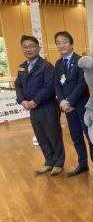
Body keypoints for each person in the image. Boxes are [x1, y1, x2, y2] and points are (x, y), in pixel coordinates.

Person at [54, 31, 93, 179]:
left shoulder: (81, 61)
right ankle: (82, 164)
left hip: (81, 106)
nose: (61, 45)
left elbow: (82, 85)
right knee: (76, 138)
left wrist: (69, 101)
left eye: (64, 42)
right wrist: (62, 101)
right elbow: (57, 85)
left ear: (71, 44)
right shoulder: (57, 64)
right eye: (58, 43)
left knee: (90, 137)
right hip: (68, 109)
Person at [15, 35, 65, 176]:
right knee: (41, 136)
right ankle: (49, 162)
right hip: (32, 108)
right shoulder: (22, 67)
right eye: (25, 47)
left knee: (53, 135)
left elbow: (49, 87)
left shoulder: (46, 66)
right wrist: (22, 100)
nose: (28, 49)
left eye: (32, 46)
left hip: (47, 106)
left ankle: (59, 163)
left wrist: (35, 101)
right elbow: (18, 85)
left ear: (38, 48)